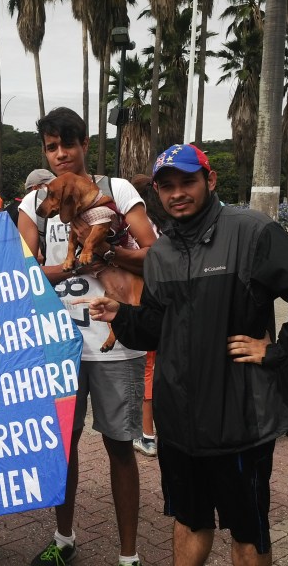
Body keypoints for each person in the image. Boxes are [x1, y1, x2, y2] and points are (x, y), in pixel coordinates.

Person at [84, 143, 288, 566]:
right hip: (179, 426)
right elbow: (156, 325)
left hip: (239, 421)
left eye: (187, 181)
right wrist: (123, 315)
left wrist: (280, 349)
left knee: (248, 534)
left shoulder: (251, 232)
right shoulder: (162, 254)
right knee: (189, 522)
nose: (177, 193)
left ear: (209, 180)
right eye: (166, 186)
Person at [18, 107, 157, 566]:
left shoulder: (116, 190)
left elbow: (156, 254)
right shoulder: (34, 203)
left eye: (68, 144)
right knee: (63, 444)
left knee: (120, 447)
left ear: (84, 145)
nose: (61, 154)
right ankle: (64, 538)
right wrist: (76, 266)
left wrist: (112, 251)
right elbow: (23, 271)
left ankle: (129, 555)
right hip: (57, 344)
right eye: (52, 147)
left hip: (115, 339)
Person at [129, 174, 170, 458]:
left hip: (143, 301)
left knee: (147, 370)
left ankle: (147, 434)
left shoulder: (136, 226)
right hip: (169, 303)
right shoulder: (169, 222)